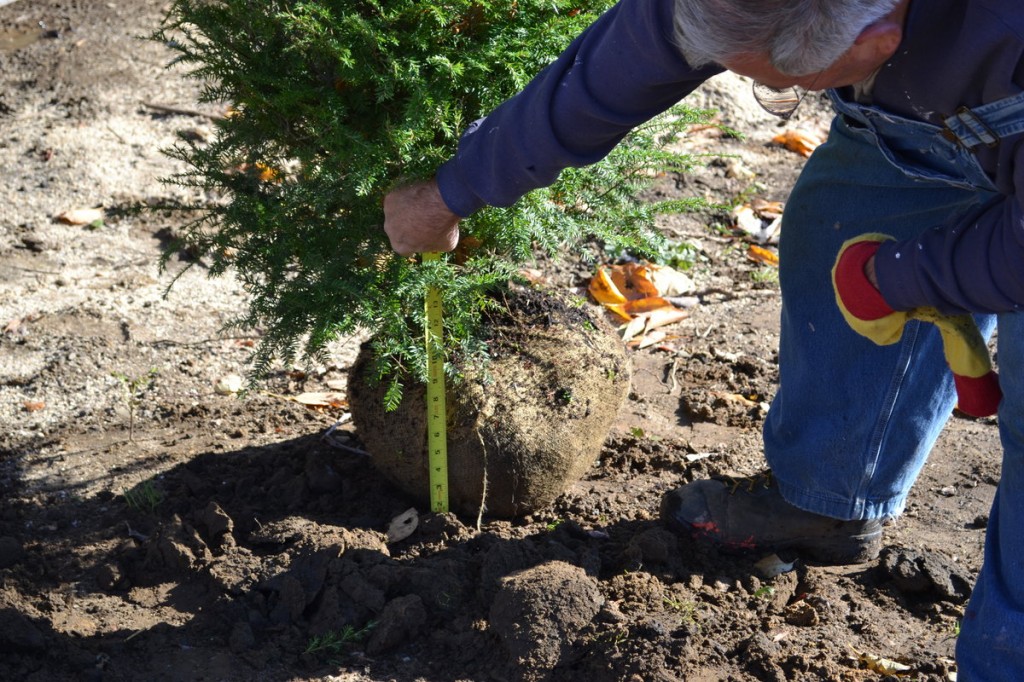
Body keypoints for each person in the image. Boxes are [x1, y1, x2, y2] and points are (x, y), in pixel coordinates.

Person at [382, 0, 1024, 677]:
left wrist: (904, 276)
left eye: (780, 88)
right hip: (917, 107)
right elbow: (630, 57)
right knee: (833, 232)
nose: (776, 96)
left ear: (877, 38)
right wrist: (454, 188)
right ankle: (828, 501)